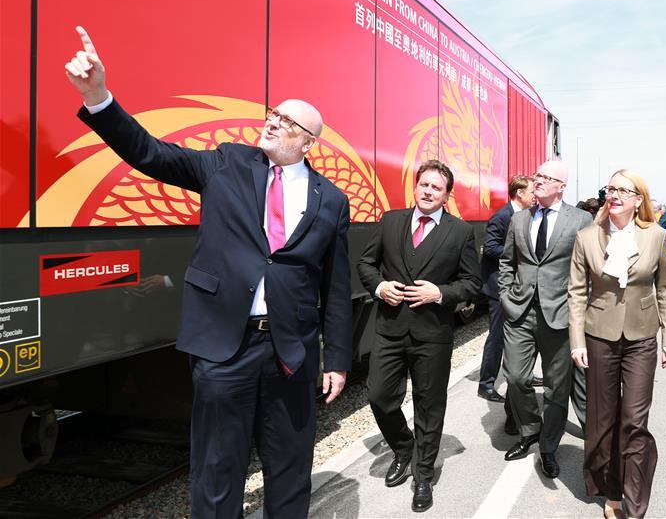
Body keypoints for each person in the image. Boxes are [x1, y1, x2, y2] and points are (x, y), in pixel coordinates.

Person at [65, 27, 352, 517]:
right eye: (273, 113)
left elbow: (337, 285)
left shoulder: (332, 199)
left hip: (291, 350)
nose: (272, 122)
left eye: (285, 121)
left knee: (289, 467)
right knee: (218, 469)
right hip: (224, 346)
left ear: (308, 143)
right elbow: (151, 153)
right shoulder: (226, 163)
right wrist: (99, 98)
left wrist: (337, 359)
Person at [357, 159, 481, 512]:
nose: (428, 191)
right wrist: (380, 287)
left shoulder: (460, 232)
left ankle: (423, 474)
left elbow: (472, 284)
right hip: (391, 329)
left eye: (436, 188)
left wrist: (439, 294)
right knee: (379, 396)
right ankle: (402, 447)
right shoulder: (391, 221)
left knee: (429, 405)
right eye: (423, 185)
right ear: (415, 187)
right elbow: (366, 263)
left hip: (433, 334)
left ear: (447, 196)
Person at [569, 169, 666, 519]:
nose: (614, 194)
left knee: (634, 421)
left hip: (642, 338)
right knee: (601, 422)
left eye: (623, 190)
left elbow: (665, 289)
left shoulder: (655, 236)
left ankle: (635, 504)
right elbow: (576, 293)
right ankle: (610, 492)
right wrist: (576, 341)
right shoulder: (586, 237)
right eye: (610, 188)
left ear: (637, 200)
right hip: (598, 336)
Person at [498, 160, 592, 478]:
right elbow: (507, 261)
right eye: (537, 175)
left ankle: (548, 447)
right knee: (515, 378)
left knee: (556, 388)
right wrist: (505, 296)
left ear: (561, 186)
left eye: (545, 177)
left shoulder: (581, 219)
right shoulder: (520, 219)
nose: (537, 181)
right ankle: (529, 432)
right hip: (520, 312)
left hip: (560, 315)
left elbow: (590, 269)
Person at [478, 175, 534, 404]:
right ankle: (486, 384)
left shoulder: (526, 216)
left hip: (516, 286)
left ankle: (519, 375)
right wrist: (518, 251)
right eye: (531, 191)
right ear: (519, 193)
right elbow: (489, 248)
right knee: (498, 335)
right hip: (499, 287)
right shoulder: (502, 217)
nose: (535, 195)